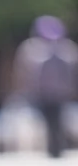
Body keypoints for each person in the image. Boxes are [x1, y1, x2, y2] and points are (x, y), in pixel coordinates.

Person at [13, 15, 78, 157]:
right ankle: (54, 148)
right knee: (50, 120)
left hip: (57, 94)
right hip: (44, 94)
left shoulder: (65, 48)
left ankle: (56, 149)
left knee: (57, 120)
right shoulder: (32, 48)